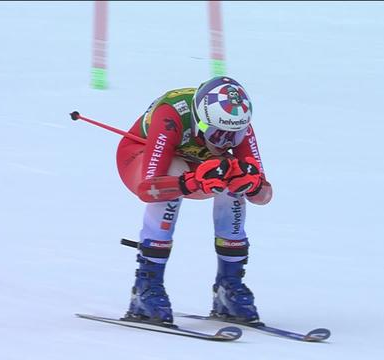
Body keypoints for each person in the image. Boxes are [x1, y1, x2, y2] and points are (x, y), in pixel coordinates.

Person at [115, 76, 273, 324]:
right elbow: (147, 189)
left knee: (235, 174)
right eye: (217, 135)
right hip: (140, 157)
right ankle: (146, 287)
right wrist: (189, 183)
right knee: (175, 169)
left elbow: (265, 195)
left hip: (195, 167)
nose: (226, 143)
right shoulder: (170, 116)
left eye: (234, 136)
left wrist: (252, 185)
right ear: (199, 121)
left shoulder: (237, 123)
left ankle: (228, 286)